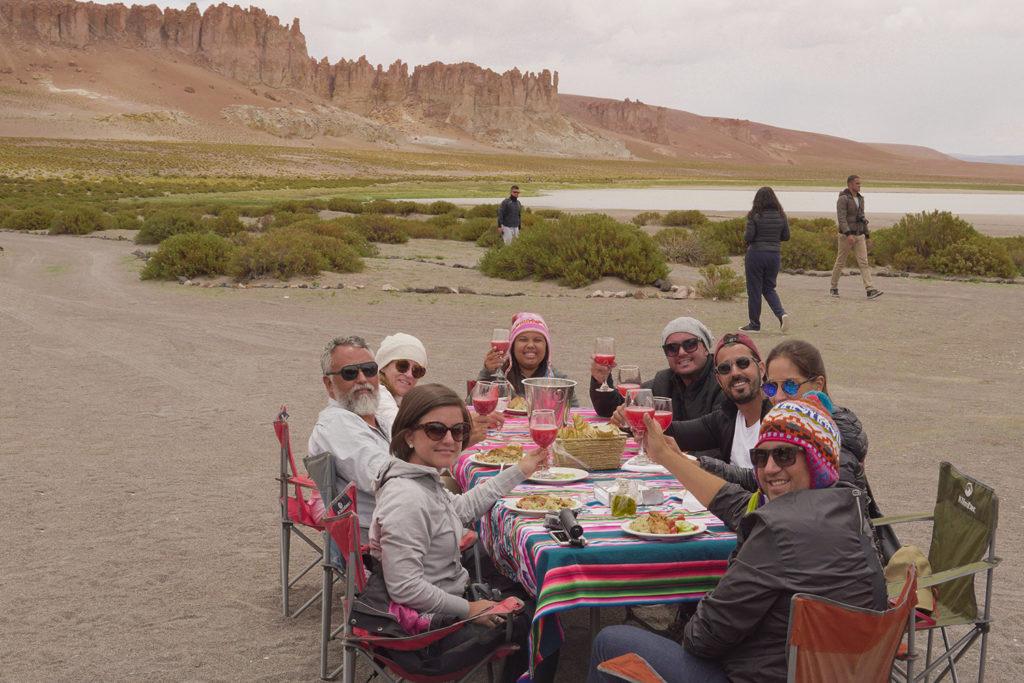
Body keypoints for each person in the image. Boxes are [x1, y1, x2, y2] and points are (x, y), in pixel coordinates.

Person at [587, 397, 887, 683]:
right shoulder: (848, 508)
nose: (769, 468)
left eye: (784, 454)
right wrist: (667, 457)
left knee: (611, 640)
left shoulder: (778, 530)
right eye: (761, 456)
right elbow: (738, 504)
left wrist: (702, 600)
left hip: (766, 675)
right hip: (842, 671)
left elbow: (701, 639)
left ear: (816, 460)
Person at [369, 384, 559, 682]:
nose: (449, 439)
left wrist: (521, 469)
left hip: (440, 603)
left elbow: (459, 509)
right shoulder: (407, 498)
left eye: (457, 431)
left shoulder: (417, 476)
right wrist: (469, 609)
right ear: (408, 435)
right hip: (427, 636)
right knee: (543, 618)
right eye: (435, 430)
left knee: (525, 585)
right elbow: (404, 587)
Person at [310, 336, 498, 533]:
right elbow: (384, 476)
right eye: (349, 373)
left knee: (490, 501)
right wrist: (447, 443)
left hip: (414, 514)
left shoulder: (371, 418)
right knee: (486, 521)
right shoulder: (337, 424)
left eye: (368, 370)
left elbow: (407, 460)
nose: (362, 379)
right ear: (329, 384)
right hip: (393, 534)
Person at [763, 339, 898, 560]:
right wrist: (702, 465)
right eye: (770, 387)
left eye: (790, 386)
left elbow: (836, 522)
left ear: (817, 385)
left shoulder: (835, 443)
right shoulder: (794, 428)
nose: (777, 397)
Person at [663, 332, 772, 476]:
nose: (735, 373)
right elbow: (676, 432)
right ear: (719, 380)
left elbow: (760, 480)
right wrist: (633, 415)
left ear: (762, 369)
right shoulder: (727, 417)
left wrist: (698, 465)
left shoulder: (778, 417)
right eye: (725, 369)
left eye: (743, 363)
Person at [592, 316, 723, 427]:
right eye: (672, 348)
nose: (682, 352)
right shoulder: (664, 381)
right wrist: (600, 380)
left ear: (706, 348)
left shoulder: (722, 381)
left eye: (690, 344)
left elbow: (714, 433)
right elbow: (611, 408)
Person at [480, 312, 578, 405]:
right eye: (523, 339)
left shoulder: (558, 381)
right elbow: (471, 408)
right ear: (512, 346)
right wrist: (487, 372)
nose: (530, 345)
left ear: (547, 347)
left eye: (537, 340)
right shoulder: (497, 375)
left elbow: (574, 413)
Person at [741, 186, 790, 333]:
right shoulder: (781, 215)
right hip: (774, 255)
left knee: (754, 290)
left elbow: (748, 237)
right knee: (769, 288)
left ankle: (754, 324)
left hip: (756, 254)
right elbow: (786, 236)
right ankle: (781, 314)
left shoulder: (754, 215)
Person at [831, 174, 883, 299]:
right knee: (840, 262)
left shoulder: (860, 199)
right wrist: (848, 234)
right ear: (850, 185)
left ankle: (870, 289)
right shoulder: (843, 199)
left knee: (864, 262)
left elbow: (862, 217)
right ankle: (833, 287)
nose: (860, 185)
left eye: (860, 183)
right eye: (857, 183)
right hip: (846, 236)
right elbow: (841, 218)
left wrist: (867, 235)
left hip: (859, 235)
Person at [375, 332, 428, 425]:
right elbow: (397, 429)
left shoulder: (408, 401)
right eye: (402, 366)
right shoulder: (377, 394)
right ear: (383, 366)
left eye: (417, 370)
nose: (409, 375)